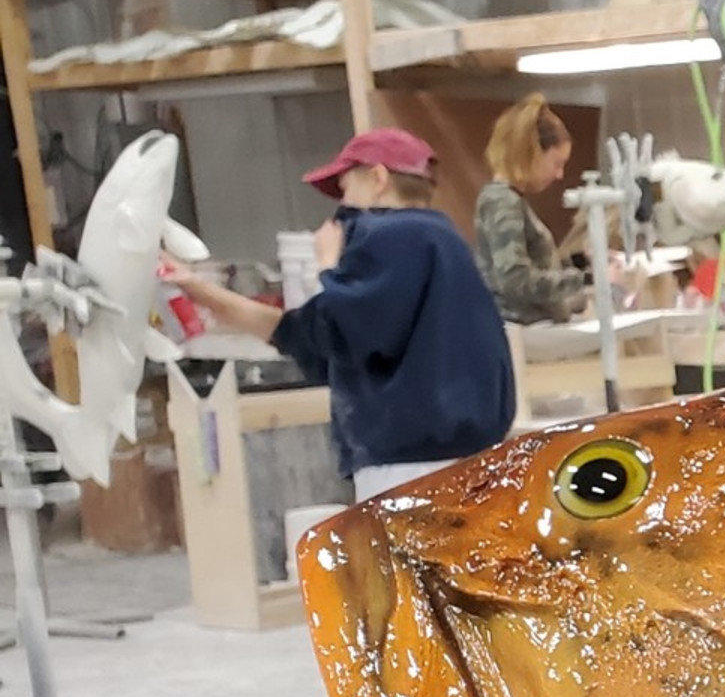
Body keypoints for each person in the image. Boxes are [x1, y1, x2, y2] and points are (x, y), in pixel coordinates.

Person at [168, 127, 515, 499]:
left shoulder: (391, 235)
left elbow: (348, 328)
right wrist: (196, 287)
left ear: (379, 178)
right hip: (463, 457)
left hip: (412, 465)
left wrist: (326, 267)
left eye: (347, 190)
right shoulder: (441, 242)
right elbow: (303, 333)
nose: (341, 212)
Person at [473, 93, 590, 323]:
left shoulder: (510, 200)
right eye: (557, 163)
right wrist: (586, 279)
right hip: (522, 331)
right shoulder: (502, 202)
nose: (560, 175)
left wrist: (579, 264)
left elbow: (533, 264)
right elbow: (516, 280)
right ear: (532, 153)